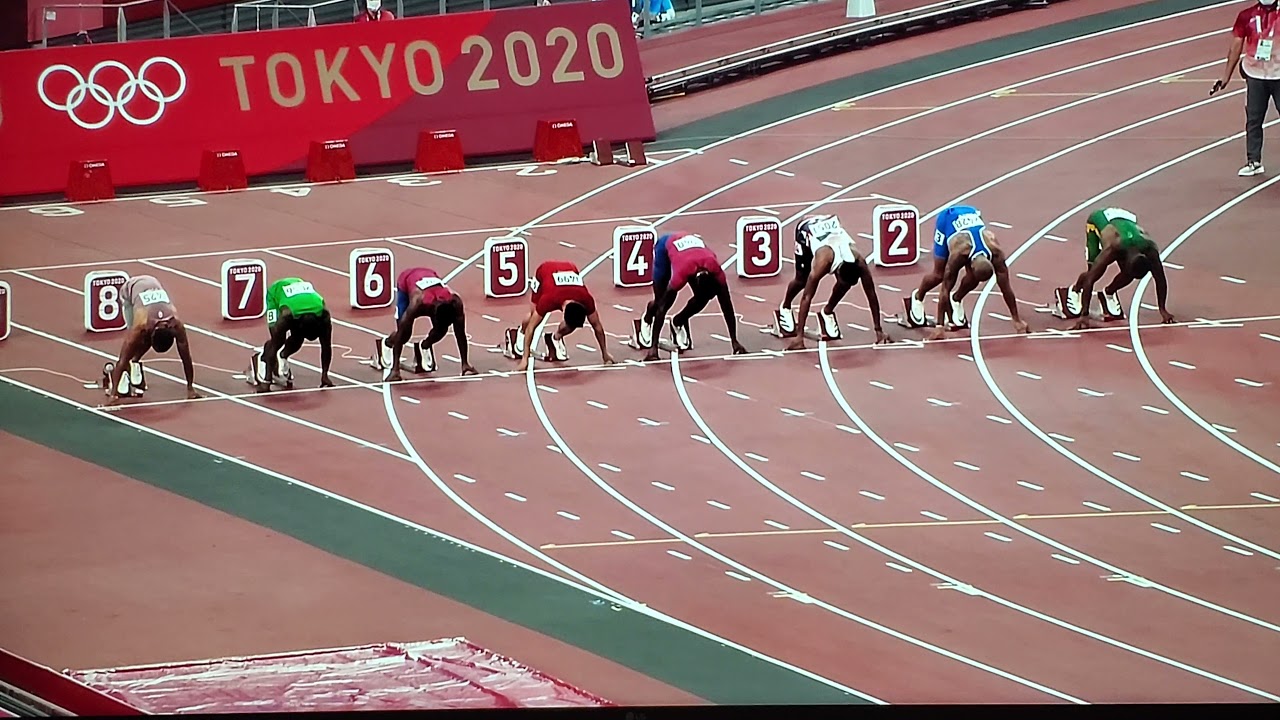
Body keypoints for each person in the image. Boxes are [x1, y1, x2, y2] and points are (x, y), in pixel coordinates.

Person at [916, 205, 1029, 340]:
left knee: (972, 280)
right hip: (947, 220)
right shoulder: (959, 254)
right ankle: (918, 297)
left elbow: (1006, 289)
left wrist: (1017, 320)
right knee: (939, 275)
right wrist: (939, 327)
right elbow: (944, 290)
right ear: (971, 266)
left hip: (971, 214)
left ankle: (956, 298)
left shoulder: (996, 253)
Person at [781, 214, 891, 350]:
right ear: (837, 272)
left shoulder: (860, 262)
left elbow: (871, 294)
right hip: (805, 230)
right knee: (802, 281)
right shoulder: (823, 262)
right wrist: (799, 337)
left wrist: (878, 330)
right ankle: (785, 306)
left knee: (844, 285)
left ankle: (827, 311)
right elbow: (806, 297)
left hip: (828, 228)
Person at [640, 232, 746, 361]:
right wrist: (653, 348)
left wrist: (735, 341)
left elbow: (727, 306)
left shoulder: (716, 271)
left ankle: (677, 321)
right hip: (665, 246)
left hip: (692, 254)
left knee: (702, 299)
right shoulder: (681, 274)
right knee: (662, 301)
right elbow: (662, 308)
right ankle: (647, 318)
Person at [1065, 207, 1173, 331]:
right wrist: (1084, 315)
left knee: (1128, 274)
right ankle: (1075, 289)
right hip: (1100, 220)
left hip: (1125, 220)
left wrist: (1162, 309)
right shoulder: (1113, 247)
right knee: (1094, 271)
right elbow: (1090, 280)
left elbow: (1160, 279)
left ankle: (1109, 292)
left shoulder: (1150, 249)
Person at [1211, 0, 1279, 177]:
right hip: (1255, 74)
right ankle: (1254, 161)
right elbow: (1235, 46)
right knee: (1253, 120)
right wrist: (1226, 75)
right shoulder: (1246, 16)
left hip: (1279, 75)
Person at [105, 275, 197, 405]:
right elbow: (122, 359)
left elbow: (186, 356)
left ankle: (135, 362)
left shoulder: (176, 324)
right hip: (130, 290)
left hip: (153, 281)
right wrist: (113, 395)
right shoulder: (141, 324)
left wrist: (190, 387)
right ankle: (126, 371)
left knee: (142, 341)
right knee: (133, 345)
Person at [515, 260, 614, 372]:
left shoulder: (586, 299)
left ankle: (556, 337)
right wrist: (525, 359)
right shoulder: (548, 299)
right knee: (533, 316)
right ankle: (520, 333)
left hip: (570, 267)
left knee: (573, 323)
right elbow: (531, 328)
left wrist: (605, 353)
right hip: (544, 271)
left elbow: (597, 327)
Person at [379, 267, 476, 381]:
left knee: (441, 330)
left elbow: (460, 333)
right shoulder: (417, 303)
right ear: (433, 314)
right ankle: (388, 343)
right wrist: (395, 369)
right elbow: (401, 333)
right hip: (406, 280)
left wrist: (465, 364)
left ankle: (424, 345)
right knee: (405, 334)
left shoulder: (456, 302)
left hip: (430, 274)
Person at [258, 277, 333, 391]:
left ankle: (282, 356)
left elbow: (326, 346)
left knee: (298, 338)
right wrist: (266, 383)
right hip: (275, 293)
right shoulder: (286, 315)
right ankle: (266, 365)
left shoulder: (324, 315)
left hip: (299, 288)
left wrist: (325, 375)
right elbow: (274, 344)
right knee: (277, 340)